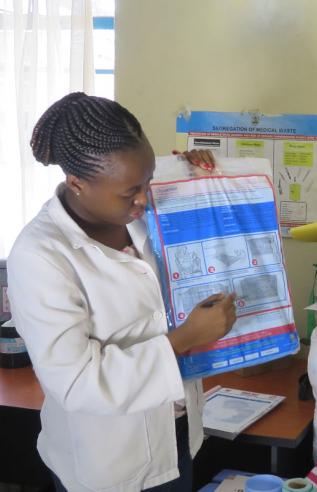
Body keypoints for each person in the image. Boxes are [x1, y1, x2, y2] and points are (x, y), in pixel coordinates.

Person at [7, 93, 237, 492]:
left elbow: (179, 206)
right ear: (77, 183)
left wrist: (195, 174)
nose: (144, 198)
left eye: (148, 181)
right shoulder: (40, 255)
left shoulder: (134, 204)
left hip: (177, 435)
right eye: (131, 191)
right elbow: (77, 381)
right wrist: (183, 340)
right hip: (112, 466)